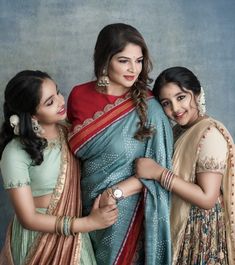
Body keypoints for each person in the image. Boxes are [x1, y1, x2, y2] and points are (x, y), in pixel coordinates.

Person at [67, 23, 173, 265]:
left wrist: (113, 194)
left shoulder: (150, 107)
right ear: (105, 60)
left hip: (126, 212)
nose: (133, 69)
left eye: (138, 60)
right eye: (124, 61)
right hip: (82, 209)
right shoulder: (78, 96)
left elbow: (160, 169)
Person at [0, 70, 118, 265]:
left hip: (75, 237)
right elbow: (28, 218)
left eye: (58, 92)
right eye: (49, 102)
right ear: (31, 115)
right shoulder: (15, 152)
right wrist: (87, 223)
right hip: (39, 240)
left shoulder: (71, 132)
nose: (61, 101)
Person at [135, 66, 235, 264]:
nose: (175, 109)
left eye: (181, 97)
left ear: (196, 93)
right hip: (182, 224)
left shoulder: (209, 134)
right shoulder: (179, 131)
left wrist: (158, 173)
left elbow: (207, 198)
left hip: (200, 234)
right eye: (166, 103)